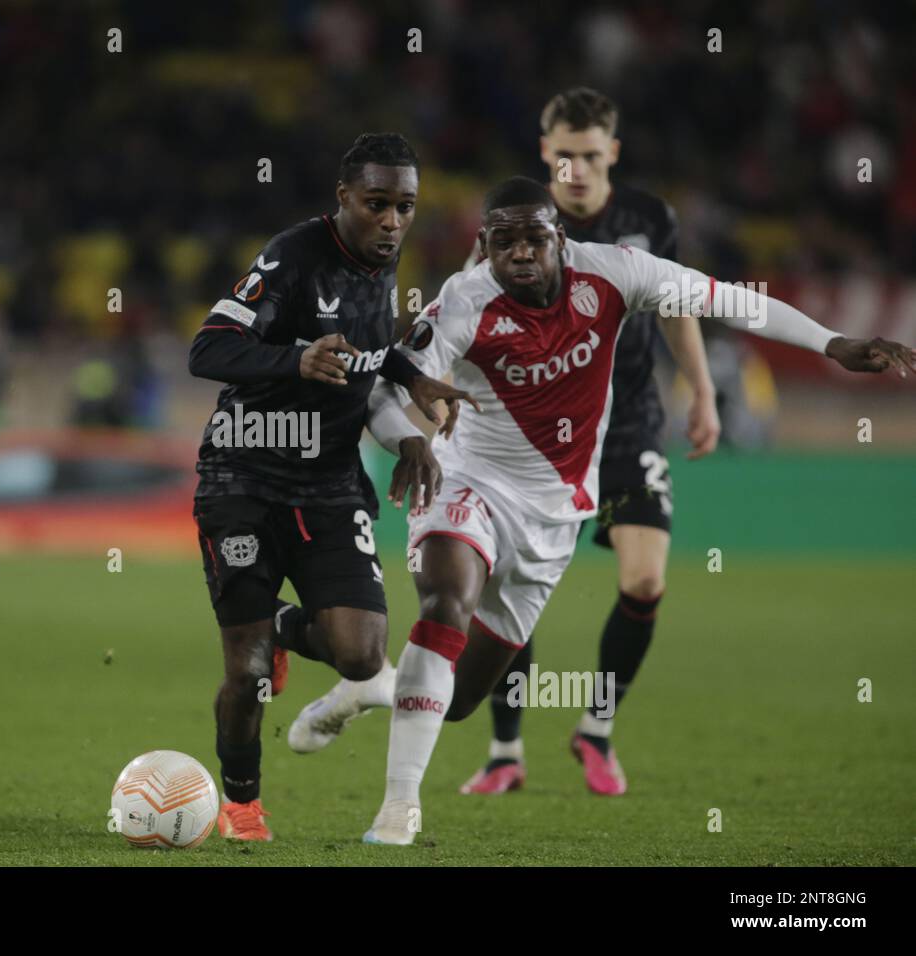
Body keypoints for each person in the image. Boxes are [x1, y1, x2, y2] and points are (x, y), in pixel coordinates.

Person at [321, 175, 913, 844]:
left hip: (556, 513)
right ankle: (400, 806)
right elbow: (384, 383)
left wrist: (831, 343)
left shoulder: (613, 272)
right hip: (470, 482)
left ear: (560, 240)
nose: (520, 253)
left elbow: (722, 299)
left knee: (456, 703)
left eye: (534, 239)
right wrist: (407, 441)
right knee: (445, 601)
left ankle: (378, 685)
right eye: (504, 241)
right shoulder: (463, 302)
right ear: (483, 246)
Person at [189, 133, 474, 841]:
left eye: (404, 207)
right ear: (343, 199)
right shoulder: (291, 257)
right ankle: (243, 804)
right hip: (243, 478)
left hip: (329, 484)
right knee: (248, 671)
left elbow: (370, 355)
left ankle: (287, 627)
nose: (391, 221)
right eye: (376, 204)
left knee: (361, 653)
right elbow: (207, 349)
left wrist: (411, 393)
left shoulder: (385, 260)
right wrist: (292, 358)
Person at [457, 87, 720, 796]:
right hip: (533, 431)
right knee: (512, 587)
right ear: (546, 152)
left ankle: (596, 729)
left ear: (614, 153)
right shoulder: (516, 223)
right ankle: (506, 750)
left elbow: (678, 303)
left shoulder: (646, 218)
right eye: (563, 155)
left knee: (644, 579)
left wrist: (701, 388)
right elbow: (466, 316)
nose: (575, 169)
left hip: (629, 417)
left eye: (590, 156)